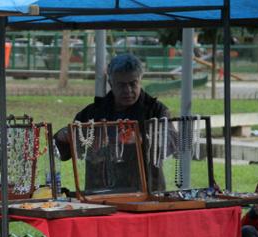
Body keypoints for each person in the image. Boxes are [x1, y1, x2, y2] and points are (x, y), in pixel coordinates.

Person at [54, 53, 173, 193]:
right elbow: (62, 154)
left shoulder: (156, 111)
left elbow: (171, 144)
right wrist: (62, 138)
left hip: (146, 194)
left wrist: (142, 139)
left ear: (140, 80)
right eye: (121, 85)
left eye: (133, 83)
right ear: (110, 83)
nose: (128, 90)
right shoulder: (93, 112)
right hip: (100, 195)